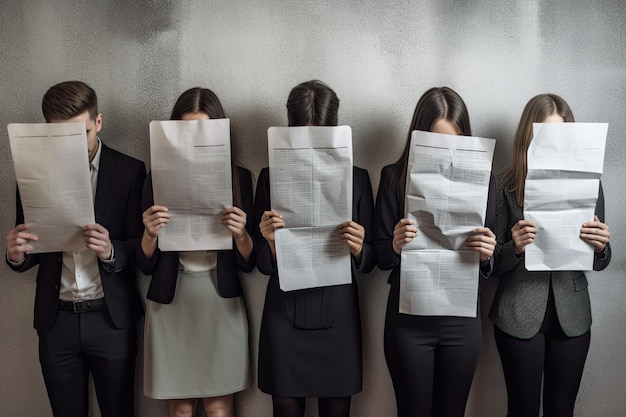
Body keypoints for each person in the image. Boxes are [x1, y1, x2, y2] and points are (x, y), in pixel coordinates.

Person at [5, 81, 145, 417]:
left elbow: (142, 250)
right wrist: (16, 255)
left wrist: (111, 250)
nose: (72, 146)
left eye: (79, 134)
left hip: (111, 320)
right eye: (61, 137)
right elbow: (29, 249)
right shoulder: (31, 174)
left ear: (98, 123)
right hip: (57, 323)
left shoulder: (130, 171)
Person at [254, 80, 375, 417]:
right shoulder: (268, 178)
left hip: (338, 317)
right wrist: (268, 241)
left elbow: (372, 262)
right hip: (284, 314)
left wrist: (360, 246)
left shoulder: (359, 179)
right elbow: (260, 265)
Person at [375, 87, 496, 417]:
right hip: (408, 318)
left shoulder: (487, 182)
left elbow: (493, 262)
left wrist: (488, 253)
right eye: (436, 144)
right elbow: (378, 256)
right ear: (419, 139)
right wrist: (395, 245)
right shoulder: (393, 177)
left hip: (462, 319)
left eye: (454, 144)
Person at [490, 93, 611, 417]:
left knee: (562, 410)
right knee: (523, 410)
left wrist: (601, 246)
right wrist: (513, 246)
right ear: (529, 137)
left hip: (572, 313)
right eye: (544, 135)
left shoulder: (590, 183)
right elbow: (489, 264)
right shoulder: (504, 184)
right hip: (517, 311)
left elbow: (600, 259)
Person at [138, 87, 254, 417]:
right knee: (180, 409)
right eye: (185, 130)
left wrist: (241, 233)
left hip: (221, 300)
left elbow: (252, 263)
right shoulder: (154, 179)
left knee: (220, 408)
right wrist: (149, 234)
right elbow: (143, 264)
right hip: (171, 301)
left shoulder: (240, 179)